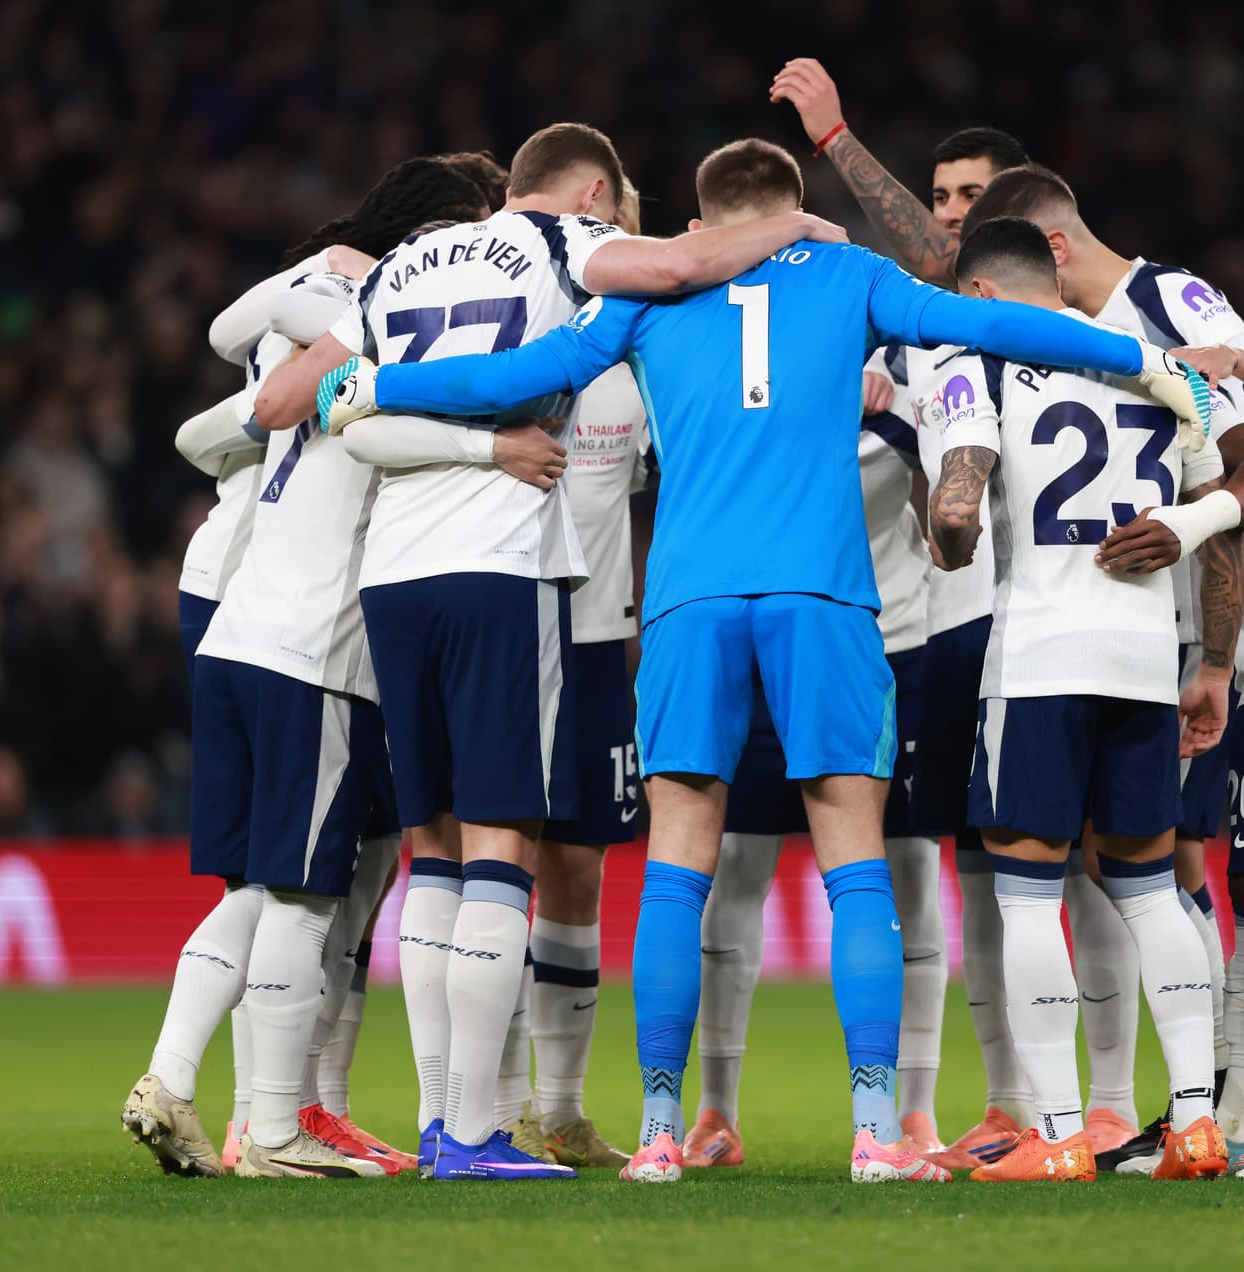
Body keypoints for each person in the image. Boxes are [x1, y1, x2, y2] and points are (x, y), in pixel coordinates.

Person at [317, 137, 1212, 1183]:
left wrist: (375, 384)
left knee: (675, 872)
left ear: (703, 223)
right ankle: (879, 1132)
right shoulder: (853, 272)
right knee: (856, 864)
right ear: (799, 207)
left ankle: (659, 1132)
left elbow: (532, 373)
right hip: (822, 596)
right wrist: (1144, 360)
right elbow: (993, 319)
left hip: (691, 600)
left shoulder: (650, 293)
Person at [253, 122, 843, 1181]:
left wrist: (363, 368)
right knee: (502, 850)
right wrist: (793, 224)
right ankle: (473, 1133)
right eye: (613, 204)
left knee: (433, 850)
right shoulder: (560, 246)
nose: (621, 222)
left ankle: (447, 1118)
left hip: (392, 573)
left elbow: (289, 402)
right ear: (584, 194)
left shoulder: (399, 268)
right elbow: (679, 262)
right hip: (500, 562)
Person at [769, 67, 1143, 1166]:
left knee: (1090, 868)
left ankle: (1112, 1099)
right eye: (938, 194)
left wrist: (836, 136)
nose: (946, 215)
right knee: (985, 869)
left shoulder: (1040, 319)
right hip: (949, 630)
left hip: (1053, 623)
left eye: (968, 196)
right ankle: (1013, 1102)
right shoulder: (921, 330)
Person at [120, 158, 494, 1180]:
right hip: (318, 652)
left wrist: (314, 271)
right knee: (299, 895)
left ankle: (182, 1083)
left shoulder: (307, 316)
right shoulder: (391, 326)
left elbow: (229, 356)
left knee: (264, 887)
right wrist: (491, 454)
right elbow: (370, 433)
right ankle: (271, 1128)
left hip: (238, 627)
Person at [925, 217, 1244, 1181]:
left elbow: (961, 500)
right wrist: (1211, 662)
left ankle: (1054, 1138)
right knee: (1149, 891)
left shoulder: (978, 361)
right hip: (1142, 661)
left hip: (1040, 660)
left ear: (979, 295)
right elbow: (1224, 527)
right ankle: (1194, 1124)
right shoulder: (1161, 366)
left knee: (1027, 896)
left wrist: (951, 533)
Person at [682, 352, 942, 1168]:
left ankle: (914, 1112)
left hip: (892, 646)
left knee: (907, 880)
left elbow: (948, 516)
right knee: (735, 877)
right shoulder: (758, 376)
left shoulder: (907, 382)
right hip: (763, 645)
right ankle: (715, 1111)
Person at [491, 181, 654, 1172]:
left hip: (601, 639)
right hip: (513, 623)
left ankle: (558, 1107)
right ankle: (490, 1103)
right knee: (493, 855)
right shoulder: (516, 339)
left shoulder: (647, 351)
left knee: (580, 867)